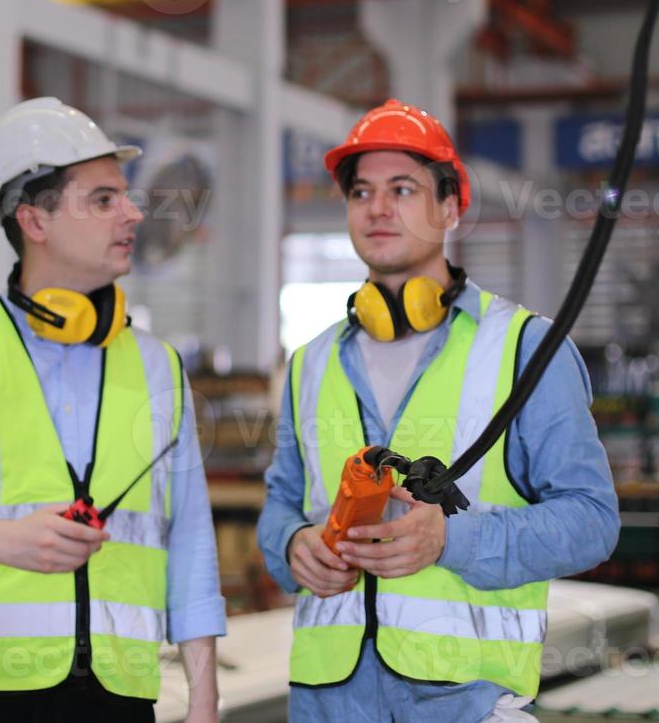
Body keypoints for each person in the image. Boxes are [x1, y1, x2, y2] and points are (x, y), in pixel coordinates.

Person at [0, 97, 225, 722]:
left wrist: (205, 700)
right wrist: (6, 541)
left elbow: (189, 540)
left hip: (117, 701)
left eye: (125, 196)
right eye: (104, 199)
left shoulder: (159, 367)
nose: (133, 213)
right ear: (35, 220)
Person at [258, 99, 620, 722]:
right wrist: (291, 544)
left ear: (451, 206)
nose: (377, 208)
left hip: (463, 700)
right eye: (362, 191)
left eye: (403, 189)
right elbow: (280, 505)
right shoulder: (310, 363)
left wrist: (452, 538)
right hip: (325, 701)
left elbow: (592, 521)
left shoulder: (524, 350)